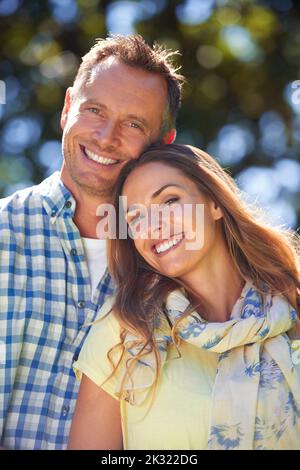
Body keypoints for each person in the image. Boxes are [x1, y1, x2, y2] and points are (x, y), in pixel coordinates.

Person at [0, 35, 184, 450]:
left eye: (134, 124)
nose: (106, 136)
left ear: (163, 143)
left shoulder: (175, 275)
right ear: (68, 108)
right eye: (94, 110)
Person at [69, 144, 300, 450]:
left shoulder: (291, 310)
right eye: (136, 218)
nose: (152, 226)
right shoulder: (123, 333)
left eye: (168, 201)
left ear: (214, 203)